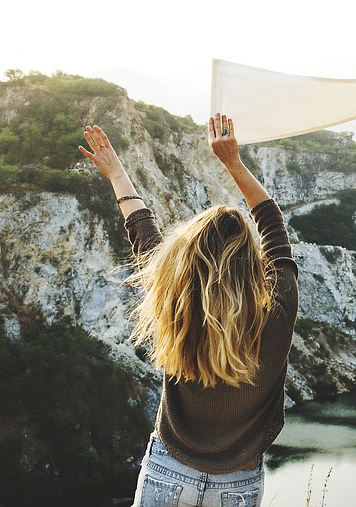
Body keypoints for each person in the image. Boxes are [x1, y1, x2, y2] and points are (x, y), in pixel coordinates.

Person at [79, 113, 298, 507]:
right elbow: (273, 226)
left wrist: (117, 174)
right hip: (238, 480)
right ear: (251, 263)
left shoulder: (174, 301)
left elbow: (144, 235)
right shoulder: (278, 308)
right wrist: (232, 161)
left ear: (186, 261)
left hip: (169, 469)